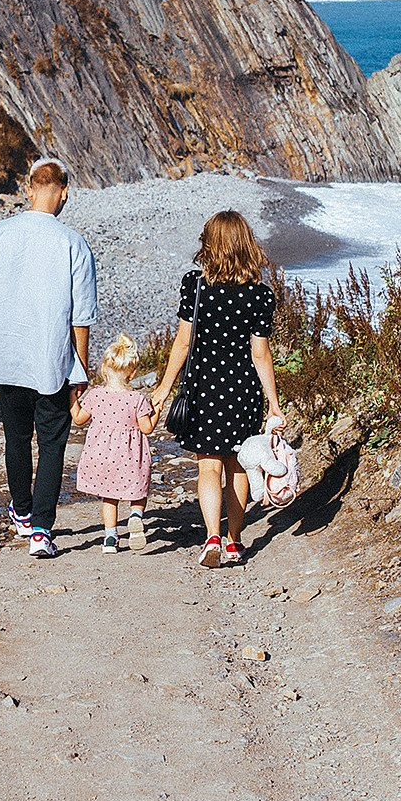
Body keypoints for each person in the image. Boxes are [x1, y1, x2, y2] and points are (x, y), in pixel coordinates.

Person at [0, 158, 96, 558]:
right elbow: (81, 319)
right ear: (64, 193)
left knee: (16, 437)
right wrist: (82, 371)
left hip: (8, 357)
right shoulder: (72, 243)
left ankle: (21, 512)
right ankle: (42, 530)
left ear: (28, 189)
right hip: (52, 360)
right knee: (53, 443)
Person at [149, 210, 283, 568]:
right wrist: (274, 404)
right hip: (242, 390)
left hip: (204, 387)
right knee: (237, 467)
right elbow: (260, 353)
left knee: (208, 466)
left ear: (209, 245)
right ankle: (235, 541)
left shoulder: (194, 285)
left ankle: (211, 537)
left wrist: (163, 388)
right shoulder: (260, 295)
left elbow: (182, 343)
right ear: (246, 245)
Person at [71, 334, 157, 554]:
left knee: (110, 496)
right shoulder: (137, 399)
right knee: (138, 492)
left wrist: (71, 399)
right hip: (130, 458)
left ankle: (110, 539)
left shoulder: (96, 395)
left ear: (104, 368)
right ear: (132, 373)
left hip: (102, 457)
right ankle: (136, 516)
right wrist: (157, 411)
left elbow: (79, 419)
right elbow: (146, 428)